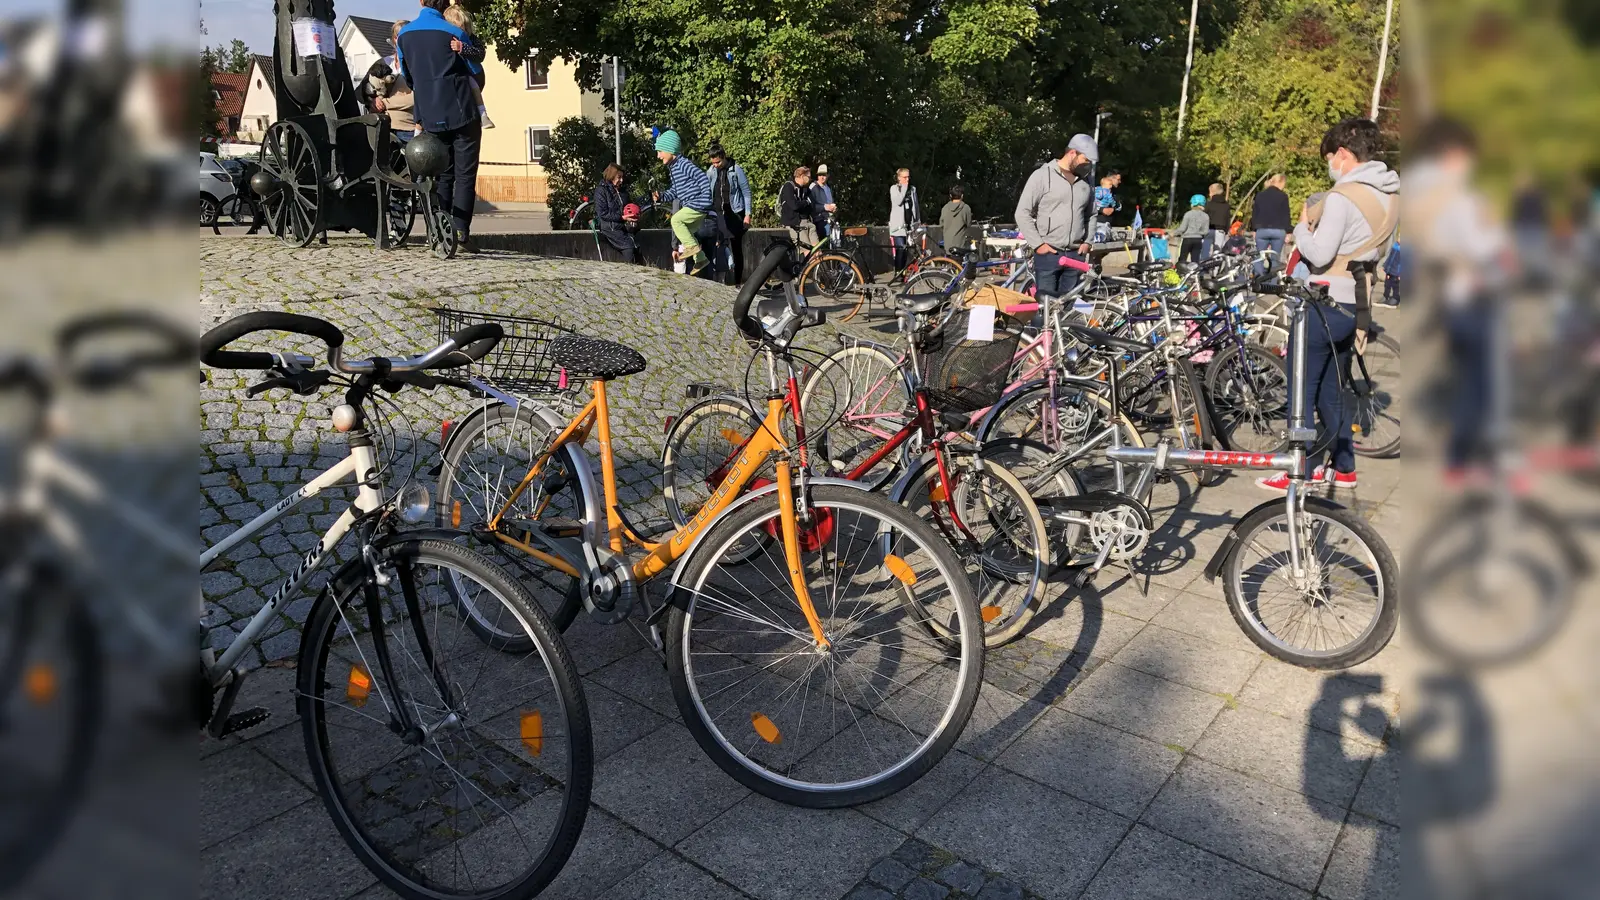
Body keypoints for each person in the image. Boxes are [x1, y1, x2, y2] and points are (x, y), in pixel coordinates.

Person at [1257, 117, 1399, 493]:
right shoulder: (1391, 197)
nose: (1329, 166)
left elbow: (1319, 252)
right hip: (1358, 303)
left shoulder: (1342, 198)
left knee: (1301, 390)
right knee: (1332, 391)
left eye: (1329, 158)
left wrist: (1302, 227)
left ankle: (1297, 470)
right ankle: (1344, 467)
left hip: (1323, 302)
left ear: (1342, 154)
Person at [398, 0, 485, 249]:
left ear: (421, 2)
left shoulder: (404, 35)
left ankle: (438, 229)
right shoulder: (454, 32)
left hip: (429, 113)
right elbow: (475, 68)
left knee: (442, 174)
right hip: (462, 112)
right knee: (465, 175)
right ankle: (460, 231)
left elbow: (408, 76)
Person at [1015, 133, 1098, 299]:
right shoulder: (1042, 176)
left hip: (1075, 255)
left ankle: (1065, 326)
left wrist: (1087, 242)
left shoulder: (1085, 182)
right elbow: (1022, 212)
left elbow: (1092, 214)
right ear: (1072, 153)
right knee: (1044, 308)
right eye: (1086, 160)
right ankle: (1040, 326)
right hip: (1049, 255)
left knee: (1069, 307)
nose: (1088, 166)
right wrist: (1038, 245)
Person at [650, 130, 714, 275]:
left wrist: (706, 198)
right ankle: (701, 258)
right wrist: (662, 196)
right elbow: (675, 192)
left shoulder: (683, 164)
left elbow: (702, 178)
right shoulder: (674, 168)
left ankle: (692, 247)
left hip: (697, 204)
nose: (658, 156)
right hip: (694, 205)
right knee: (688, 232)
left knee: (676, 220)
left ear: (670, 149)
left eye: (660, 151)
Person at [440, 4, 494, 128]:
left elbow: (480, 54)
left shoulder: (472, 39)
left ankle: (483, 113)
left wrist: (463, 48)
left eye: (462, 28)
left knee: (471, 83)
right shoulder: (445, 39)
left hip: (473, 74)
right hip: (458, 76)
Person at [706, 143, 752, 283]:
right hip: (718, 213)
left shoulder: (736, 170)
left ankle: (737, 281)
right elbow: (707, 190)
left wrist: (747, 214)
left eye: (718, 162)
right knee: (717, 245)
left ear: (723, 157)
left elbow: (746, 192)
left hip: (735, 213)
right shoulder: (711, 171)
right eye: (713, 162)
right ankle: (718, 280)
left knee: (736, 247)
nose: (716, 165)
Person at [593, 163, 637, 264]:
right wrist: (622, 217)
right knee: (628, 246)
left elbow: (627, 206)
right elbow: (603, 213)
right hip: (610, 226)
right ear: (611, 176)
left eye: (622, 177)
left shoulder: (621, 191)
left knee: (636, 242)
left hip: (621, 224)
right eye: (619, 177)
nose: (621, 180)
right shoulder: (601, 191)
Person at [1250, 173, 1292, 276]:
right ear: (1280, 182)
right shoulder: (1283, 196)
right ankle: (1272, 284)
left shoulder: (1260, 195)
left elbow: (1255, 213)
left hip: (1262, 229)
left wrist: (1253, 229)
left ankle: (1258, 282)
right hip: (1278, 231)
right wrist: (1289, 232)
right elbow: (1286, 215)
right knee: (1275, 258)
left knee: (1260, 257)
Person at [889, 168, 920, 271]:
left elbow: (915, 206)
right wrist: (904, 187)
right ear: (898, 178)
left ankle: (903, 272)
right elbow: (898, 201)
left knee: (906, 250)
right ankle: (898, 272)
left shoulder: (912, 189)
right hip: (898, 226)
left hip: (908, 225)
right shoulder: (894, 188)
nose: (907, 179)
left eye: (908, 177)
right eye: (904, 177)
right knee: (900, 248)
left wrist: (917, 221)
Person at [780, 166, 818, 248]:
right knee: (807, 251)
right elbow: (794, 206)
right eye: (809, 177)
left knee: (817, 250)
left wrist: (803, 203)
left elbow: (812, 204)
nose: (810, 179)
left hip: (807, 222)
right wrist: (806, 202)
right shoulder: (788, 186)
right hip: (795, 224)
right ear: (802, 176)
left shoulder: (806, 189)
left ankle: (818, 259)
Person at [940, 184, 975, 260]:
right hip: (960, 246)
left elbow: (941, 224)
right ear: (962, 196)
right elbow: (968, 224)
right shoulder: (966, 208)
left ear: (950, 195)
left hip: (947, 246)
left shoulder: (945, 208)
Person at [1173, 194, 1210, 263]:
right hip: (1198, 240)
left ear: (1193, 203)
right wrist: (1198, 233)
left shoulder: (1188, 214)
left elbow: (1182, 229)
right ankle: (1194, 273)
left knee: (1182, 259)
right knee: (1195, 261)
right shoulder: (1206, 216)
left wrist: (1174, 233)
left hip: (1187, 239)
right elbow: (1206, 231)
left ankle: (1180, 273)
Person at [1201, 183, 1230, 259]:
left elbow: (1203, 217)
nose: (1209, 194)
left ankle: (1203, 268)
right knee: (1217, 253)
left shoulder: (1209, 204)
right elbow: (1227, 219)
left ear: (1213, 192)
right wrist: (1226, 231)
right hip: (1221, 230)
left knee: (1205, 250)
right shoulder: (1226, 205)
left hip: (1208, 230)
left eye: (1210, 192)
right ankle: (1215, 269)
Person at [810, 164, 837, 243]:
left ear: (827, 176)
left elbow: (830, 202)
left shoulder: (828, 188)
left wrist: (833, 208)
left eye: (824, 175)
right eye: (820, 175)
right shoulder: (813, 187)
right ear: (817, 176)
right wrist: (825, 207)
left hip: (828, 219)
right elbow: (811, 205)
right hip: (817, 220)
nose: (822, 177)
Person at [1093, 171, 1122, 242]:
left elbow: (1118, 207)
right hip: (1095, 223)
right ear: (1110, 179)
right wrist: (1101, 209)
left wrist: (1114, 208)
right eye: (1118, 179)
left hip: (1108, 226)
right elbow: (1088, 205)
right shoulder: (1097, 190)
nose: (1120, 182)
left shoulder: (1115, 194)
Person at [1382, 238, 1403, 307]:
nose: (1399, 238)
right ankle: (1385, 296)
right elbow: (1390, 257)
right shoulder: (1395, 246)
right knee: (1387, 283)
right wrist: (1385, 265)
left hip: (1397, 271)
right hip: (1390, 269)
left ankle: (1395, 298)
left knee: (1395, 285)